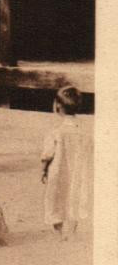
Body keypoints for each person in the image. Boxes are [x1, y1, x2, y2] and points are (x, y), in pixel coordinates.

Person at [41, 86, 92, 239]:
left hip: (59, 172)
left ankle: (59, 232)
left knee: (56, 197)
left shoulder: (56, 132)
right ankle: (72, 230)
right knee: (75, 196)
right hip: (79, 171)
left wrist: (43, 170)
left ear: (58, 106)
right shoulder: (85, 131)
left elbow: (47, 155)